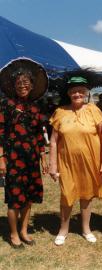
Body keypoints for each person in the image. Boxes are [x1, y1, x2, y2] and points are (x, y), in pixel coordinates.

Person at [49, 70, 102, 246]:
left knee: (87, 195)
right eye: (74, 91)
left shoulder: (93, 110)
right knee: (67, 195)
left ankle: (86, 229)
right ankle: (63, 229)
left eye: (81, 91)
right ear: (69, 93)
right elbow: (53, 142)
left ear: (86, 93)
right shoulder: (60, 111)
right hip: (66, 163)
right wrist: (53, 165)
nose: (77, 94)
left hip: (90, 160)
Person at [0, 58, 49, 248]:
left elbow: (38, 135)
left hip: (31, 159)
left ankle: (24, 231)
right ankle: (13, 234)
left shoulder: (36, 108)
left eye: (26, 83)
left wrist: (43, 156)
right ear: (14, 85)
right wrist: (1, 158)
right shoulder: (6, 105)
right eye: (19, 83)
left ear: (32, 86)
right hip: (12, 159)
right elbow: (1, 132)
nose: (23, 85)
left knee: (28, 197)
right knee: (14, 197)